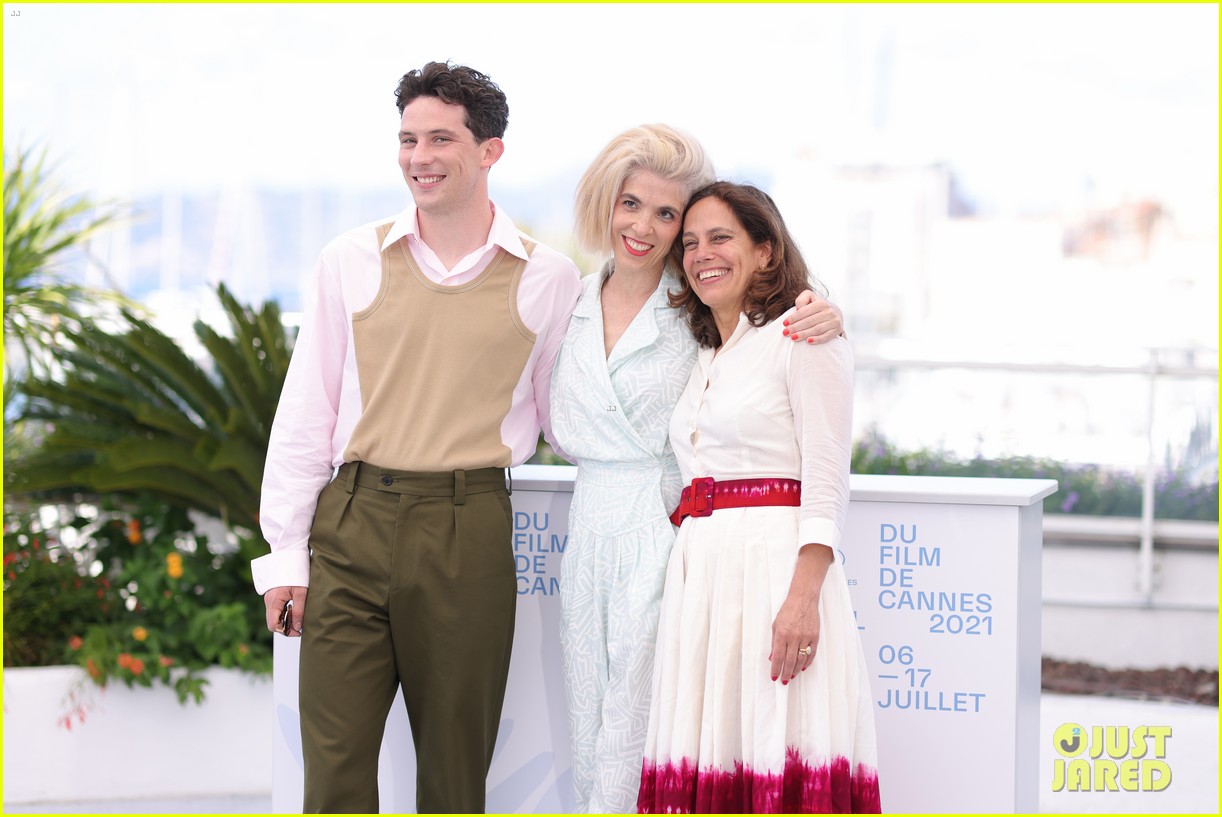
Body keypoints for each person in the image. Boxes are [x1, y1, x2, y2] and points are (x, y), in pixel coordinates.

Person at [251, 62, 581, 814]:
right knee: (332, 773)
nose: (418, 156)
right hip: (352, 523)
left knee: (454, 778)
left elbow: (567, 421)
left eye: (440, 138)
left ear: (489, 150)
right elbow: (306, 414)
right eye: (407, 139)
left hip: (468, 529)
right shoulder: (351, 259)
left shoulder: (547, 278)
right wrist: (286, 555)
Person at [550, 127, 845, 814]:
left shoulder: (699, 305)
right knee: (589, 729)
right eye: (630, 204)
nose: (643, 227)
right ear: (607, 203)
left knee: (641, 733)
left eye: (666, 215)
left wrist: (826, 312)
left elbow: (781, 316)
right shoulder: (564, 299)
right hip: (587, 535)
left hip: (667, 530)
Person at [636, 182, 880, 813]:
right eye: (689, 243)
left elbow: (828, 477)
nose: (701, 254)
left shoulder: (803, 335)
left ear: (766, 251)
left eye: (721, 238)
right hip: (705, 580)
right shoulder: (704, 353)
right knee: (714, 751)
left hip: (775, 575)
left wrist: (803, 600)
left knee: (775, 746)